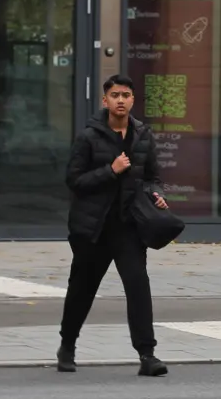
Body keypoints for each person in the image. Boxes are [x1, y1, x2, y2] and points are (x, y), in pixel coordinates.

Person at [58, 74, 170, 376]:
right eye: (115, 95)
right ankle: (67, 345)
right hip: (93, 229)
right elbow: (74, 180)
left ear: (133, 100)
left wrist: (157, 194)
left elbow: (153, 177)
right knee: (82, 289)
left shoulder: (143, 135)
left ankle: (147, 355)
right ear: (104, 100)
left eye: (126, 95)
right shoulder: (88, 137)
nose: (121, 100)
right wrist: (110, 170)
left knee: (138, 285)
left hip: (128, 227)